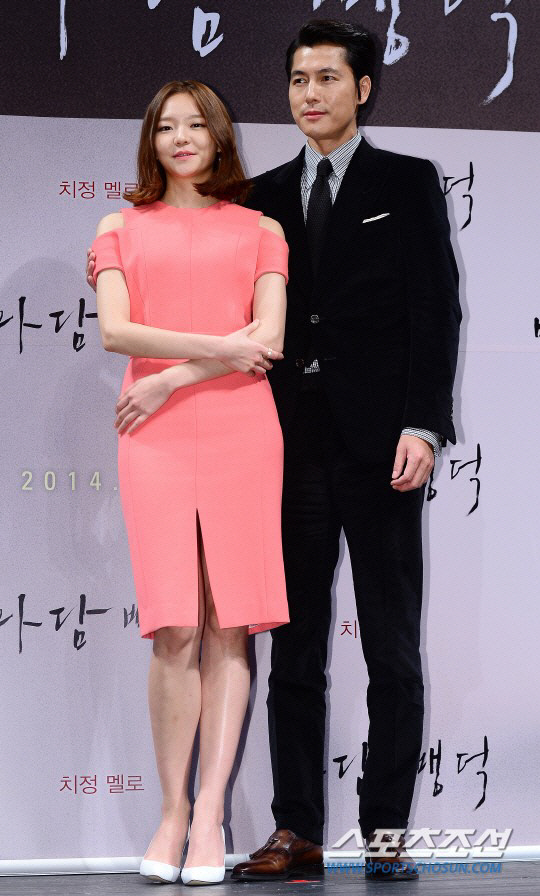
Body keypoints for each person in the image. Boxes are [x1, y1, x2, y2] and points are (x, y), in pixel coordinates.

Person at [87, 18, 461, 883]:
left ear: (362, 89)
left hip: (382, 445)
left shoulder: (407, 181)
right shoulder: (258, 197)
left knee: (390, 646)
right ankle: (296, 829)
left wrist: (423, 424)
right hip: (281, 444)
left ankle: (385, 832)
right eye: (298, 80)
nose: (310, 94)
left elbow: (436, 309)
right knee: (291, 644)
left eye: (327, 78)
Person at [89, 79, 289, 886]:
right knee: (174, 625)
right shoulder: (119, 227)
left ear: (219, 137)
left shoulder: (262, 229)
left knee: (230, 625)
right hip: (155, 438)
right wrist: (218, 349)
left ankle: (210, 818)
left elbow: (267, 340)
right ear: (151, 141)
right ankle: (170, 813)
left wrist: (173, 376)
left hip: (240, 427)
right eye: (166, 127)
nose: (180, 138)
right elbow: (116, 330)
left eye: (195, 125)